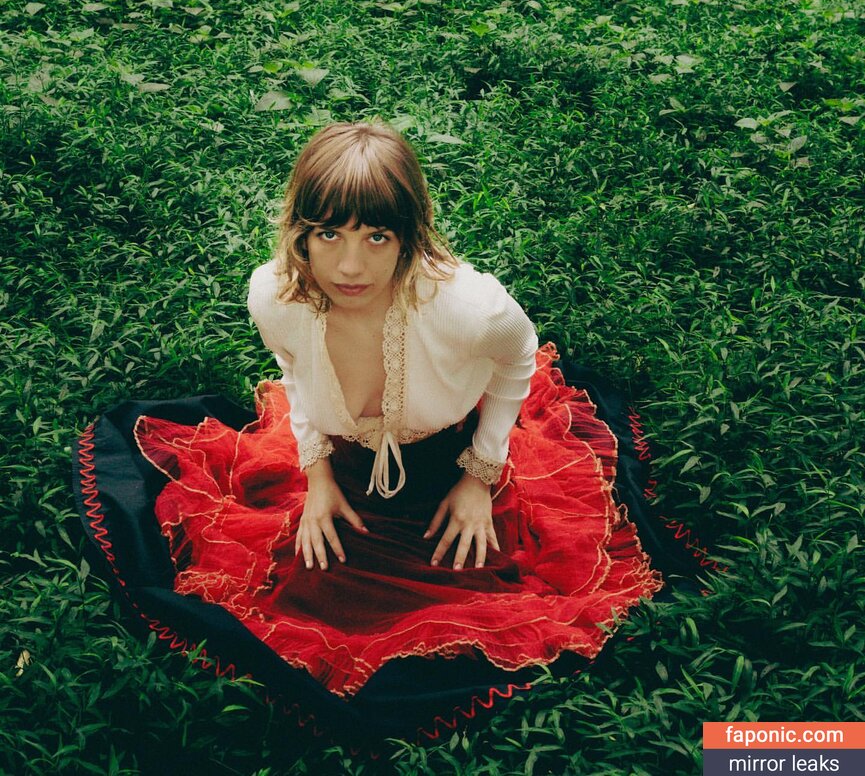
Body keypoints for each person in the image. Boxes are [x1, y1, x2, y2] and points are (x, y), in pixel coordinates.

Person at [74, 121, 702, 744]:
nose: (350, 266)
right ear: (300, 233)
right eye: (329, 234)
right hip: (347, 471)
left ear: (409, 237)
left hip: (447, 466)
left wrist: (479, 475)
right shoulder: (273, 297)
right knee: (309, 594)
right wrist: (318, 476)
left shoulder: (468, 309)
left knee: (478, 591)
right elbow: (295, 376)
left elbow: (518, 361)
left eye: (377, 236)